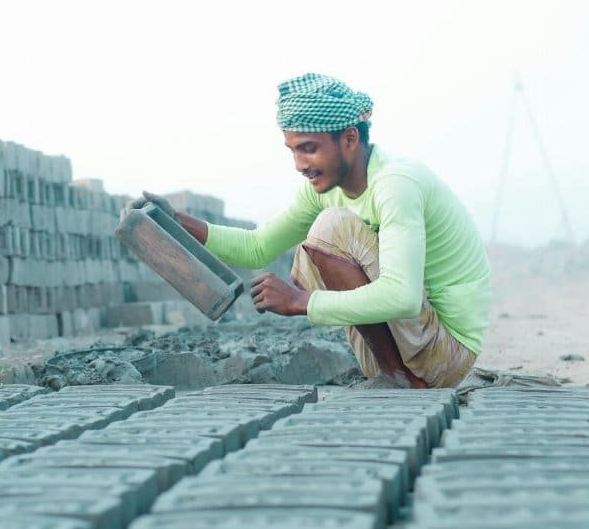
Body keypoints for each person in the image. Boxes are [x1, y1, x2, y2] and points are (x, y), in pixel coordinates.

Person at [125, 73, 490, 389]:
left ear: (349, 139)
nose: (300, 165)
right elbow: (256, 248)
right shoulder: (327, 189)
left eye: (309, 149)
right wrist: (177, 220)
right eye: (293, 151)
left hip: (445, 352)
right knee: (317, 238)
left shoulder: (395, 184)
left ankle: (399, 379)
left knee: (331, 229)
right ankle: (393, 374)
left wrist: (301, 301)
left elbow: (404, 298)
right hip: (412, 344)